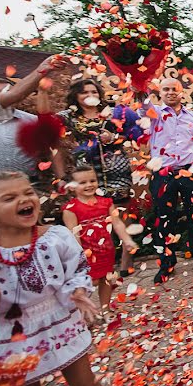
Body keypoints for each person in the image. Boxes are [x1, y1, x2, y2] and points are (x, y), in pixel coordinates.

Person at [0, 171, 112, 386]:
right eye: (9, 197)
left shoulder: (55, 237)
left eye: (28, 192)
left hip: (59, 319)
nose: (24, 198)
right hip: (14, 333)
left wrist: (77, 291)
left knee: (85, 384)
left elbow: (77, 269)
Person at [57, 78, 143, 276]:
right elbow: (46, 121)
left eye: (94, 92)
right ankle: (95, 263)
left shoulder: (114, 114)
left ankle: (125, 264)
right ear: (75, 97)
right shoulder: (69, 117)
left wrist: (114, 138)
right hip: (86, 172)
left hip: (116, 169)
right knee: (91, 218)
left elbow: (137, 133)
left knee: (121, 216)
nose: (91, 96)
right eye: (85, 92)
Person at [141, 77, 193, 284]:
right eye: (166, 89)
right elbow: (142, 104)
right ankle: (166, 264)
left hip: (190, 171)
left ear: (181, 92)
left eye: (174, 89)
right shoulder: (154, 114)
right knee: (164, 218)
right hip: (163, 174)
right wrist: (138, 80)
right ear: (160, 92)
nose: (170, 92)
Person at [0, 55, 66, 180]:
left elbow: (53, 148)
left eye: (6, 91)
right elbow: (15, 94)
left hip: (27, 186)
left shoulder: (32, 121)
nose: (3, 96)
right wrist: (42, 69)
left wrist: (61, 178)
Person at [62, 166, 138, 309]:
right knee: (85, 283)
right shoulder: (71, 209)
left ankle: (105, 308)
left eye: (92, 180)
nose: (89, 185)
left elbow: (117, 223)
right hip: (85, 253)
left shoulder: (106, 203)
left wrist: (127, 240)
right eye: (83, 182)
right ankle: (83, 313)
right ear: (72, 187)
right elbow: (73, 234)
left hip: (106, 250)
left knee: (106, 279)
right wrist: (79, 257)